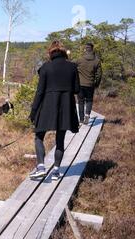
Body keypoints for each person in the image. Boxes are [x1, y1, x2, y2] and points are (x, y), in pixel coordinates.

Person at [29, 41, 81, 181]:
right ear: (64, 52)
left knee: (39, 136)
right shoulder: (72, 67)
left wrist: (33, 112)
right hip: (66, 106)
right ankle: (56, 171)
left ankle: (41, 167)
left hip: (47, 106)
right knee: (60, 139)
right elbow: (76, 89)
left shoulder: (46, 67)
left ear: (51, 53)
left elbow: (39, 92)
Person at [76, 43, 102, 125]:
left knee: (80, 102)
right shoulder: (97, 61)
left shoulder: (79, 60)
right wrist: (96, 84)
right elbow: (99, 75)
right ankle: (87, 115)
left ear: (86, 49)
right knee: (89, 100)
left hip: (80, 84)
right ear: (92, 49)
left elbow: (72, 68)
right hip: (90, 85)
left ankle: (81, 119)